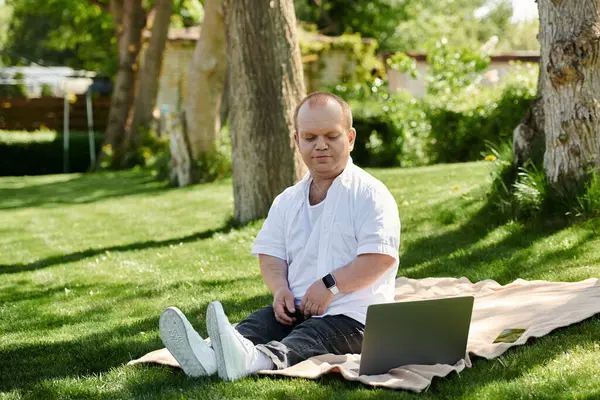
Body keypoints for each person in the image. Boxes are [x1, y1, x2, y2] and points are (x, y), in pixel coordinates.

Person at [159, 92, 401, 381]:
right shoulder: (287, 200)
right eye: (310, 137)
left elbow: (378, 259)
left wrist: (330, 286)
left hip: (354, 318)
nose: (321, 145)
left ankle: (252, 360)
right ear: (296, 140)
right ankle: (210, 355)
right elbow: (271, 253)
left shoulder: (370, 194)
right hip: (296, 309)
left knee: (309, 336)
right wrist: (279, 290)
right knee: (258, 324)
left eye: (331, 136)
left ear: (349, 138)